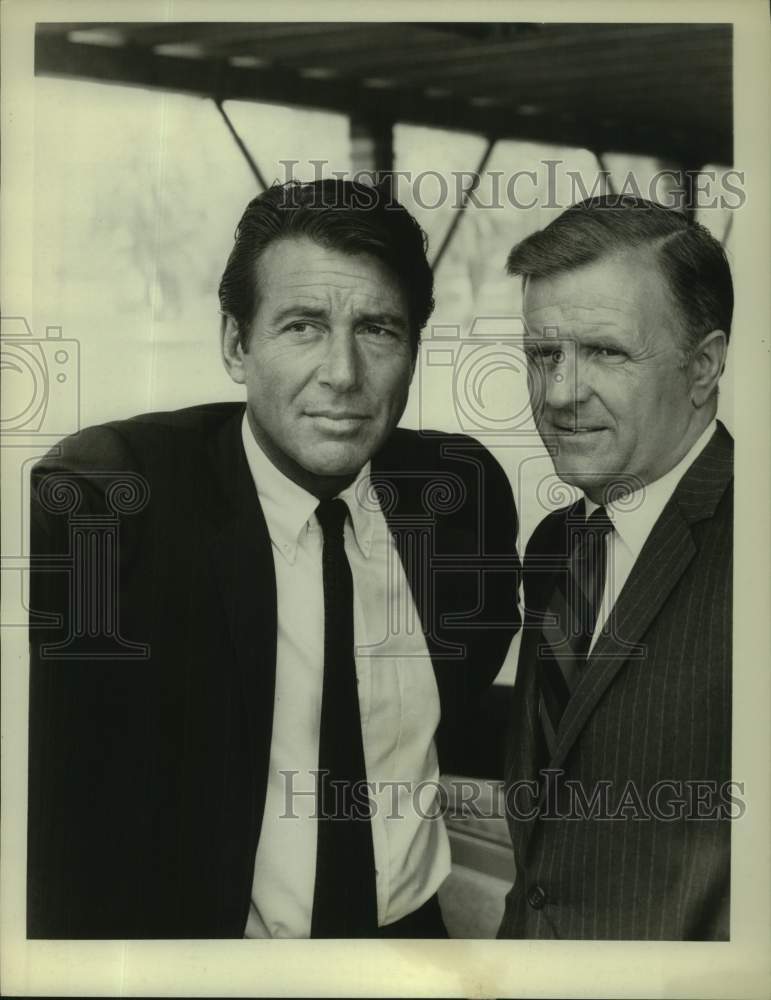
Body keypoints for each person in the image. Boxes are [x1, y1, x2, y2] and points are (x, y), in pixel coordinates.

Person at [27, 179, 521, 939]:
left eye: (379, 330)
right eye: (302, 326)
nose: (343, 374)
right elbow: (50, 793)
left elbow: (446, 710)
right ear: (236, 343)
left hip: (409, 942)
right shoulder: (117, 499)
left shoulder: (456, 496)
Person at [497, 196, 733, 940]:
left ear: (702, 367)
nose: (560, 394)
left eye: (606, 352)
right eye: (544, 355)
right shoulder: (555, 546)